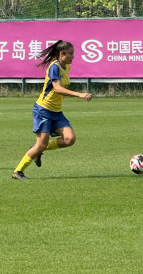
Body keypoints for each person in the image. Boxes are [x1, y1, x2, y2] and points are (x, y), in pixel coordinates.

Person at [12, 40, 92, 180]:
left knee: (69, 139)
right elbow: (58, 89)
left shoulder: (66, 66)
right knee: (41, 145)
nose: (73, 56)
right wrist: (80, 94)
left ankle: (37, 149)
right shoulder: (54, 67)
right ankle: (18, 171)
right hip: (43, 110)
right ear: (62, 54)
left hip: (56, 111)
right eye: (71, 54)